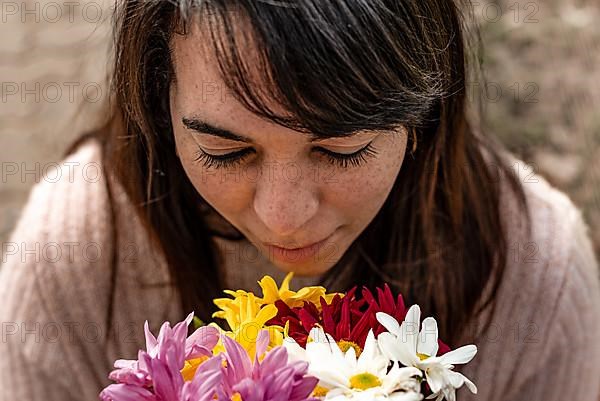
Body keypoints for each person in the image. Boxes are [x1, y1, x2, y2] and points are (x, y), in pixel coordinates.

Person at [1, 0, 599, 400]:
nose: (283, 218)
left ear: (423, 116)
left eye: (342, 150)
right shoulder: (72, 253)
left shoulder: (534, 269)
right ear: (161, 107)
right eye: (226, 152)